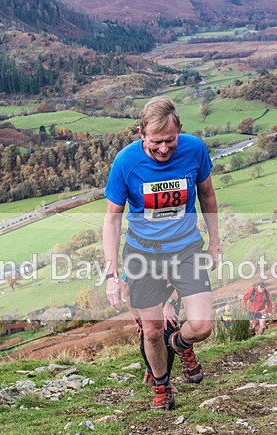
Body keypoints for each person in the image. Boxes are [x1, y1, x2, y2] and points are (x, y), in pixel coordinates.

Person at [103, 96, 222, 410]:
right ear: (141, 133)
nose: (164, 149)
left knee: (202, 325)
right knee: (152, 329)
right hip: (143, 255)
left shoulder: (194, 149)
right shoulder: (125, 162)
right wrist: (112, 274)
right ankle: (162, 387)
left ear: (179, 130)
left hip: (186, 249)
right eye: (156, 142)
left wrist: (215, 242)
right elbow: (112, 219)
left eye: (170, 140)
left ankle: (180, 344)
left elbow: (208, 195)